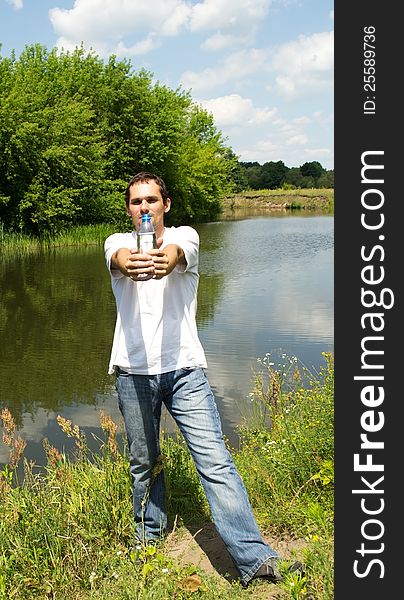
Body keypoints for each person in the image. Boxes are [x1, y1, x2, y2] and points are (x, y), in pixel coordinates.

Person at [104, 171, 303, 588]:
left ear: (166, 204)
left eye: (152, 201)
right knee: (144, 464)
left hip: (184, 371)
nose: (144, 208)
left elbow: (178, 252)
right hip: (133, 374)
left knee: (214, 461)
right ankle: (148, 543)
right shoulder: (117, 243)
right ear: (128, 209)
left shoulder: (187, 236)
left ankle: (253, 557)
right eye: (137, 202)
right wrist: (132, 261)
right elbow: (119, 261)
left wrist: (166, 259)